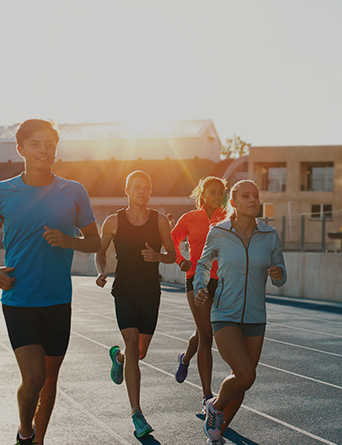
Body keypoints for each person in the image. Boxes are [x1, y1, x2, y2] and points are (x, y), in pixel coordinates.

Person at [0, 119, 101, 445]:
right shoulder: (1, 191)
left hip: (58, 300)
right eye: (35, 144)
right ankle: (25, 433)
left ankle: (37, 441)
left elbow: (95, 242)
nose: (44, 150)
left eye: (49, 144)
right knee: (33, 379)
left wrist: (69, 241)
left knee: (49, 380)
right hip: (19, 298)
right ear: (21, 149)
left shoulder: (73, 191)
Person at [194, 180, 287, 445]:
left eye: (255, 196)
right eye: (245, 196)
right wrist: (200, 286)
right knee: (246, 374)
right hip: (225, 314)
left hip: (256, 317)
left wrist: (279, 274)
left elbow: (280, 273)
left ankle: (217, 432)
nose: (252, 200)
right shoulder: (218, 232)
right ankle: (215, 405)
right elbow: (203, 264)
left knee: (242, 381)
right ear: (233, 202)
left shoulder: (269, 235)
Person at [95, 170, 176, 438]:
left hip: (150, 293)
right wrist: (101, 271)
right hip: (125, 291)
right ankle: (137, 413)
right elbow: (101, 250)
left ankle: (116, 357)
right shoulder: (113, 221)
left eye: (146, 187)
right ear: (127, 190)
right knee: (132, 346)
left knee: (138, 354)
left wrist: (157, 256)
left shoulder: (160, 221)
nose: (142, 191)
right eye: (137, 187)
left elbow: (172, 255)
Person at [170, 176, 227, 413]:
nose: (217, 195)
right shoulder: (190, 218)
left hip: (223, 281)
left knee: (204, 331)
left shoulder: (228, 218)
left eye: (220, 192)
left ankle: (185, 359)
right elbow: (171, 240)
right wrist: (181, 260)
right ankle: (207, 397)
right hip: (197, 279)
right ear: (203, 194)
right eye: (212, 191)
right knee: (206, 335)